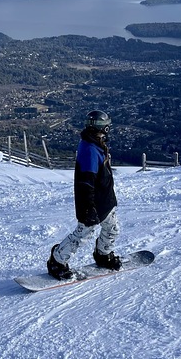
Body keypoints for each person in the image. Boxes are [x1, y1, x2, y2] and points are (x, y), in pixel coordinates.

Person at [47, 110, 121, 280]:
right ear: (104, 127)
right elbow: (86, 183)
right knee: (84, 233)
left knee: (112, 228)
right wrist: (88, 207)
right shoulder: (89, 149)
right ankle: (57, 260)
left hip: (105, 200)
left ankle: (103, 254)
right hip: (92, 203)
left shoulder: (97, 143)